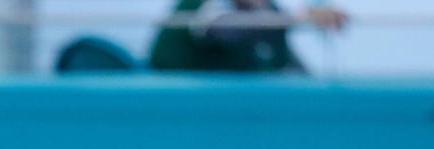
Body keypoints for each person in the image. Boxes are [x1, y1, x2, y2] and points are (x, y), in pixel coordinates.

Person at [149, 0, 349, 73]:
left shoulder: (272, 13)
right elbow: (224, 28)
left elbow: (286, 65)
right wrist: (301, 18)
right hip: (177, 115)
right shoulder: (199, 5)